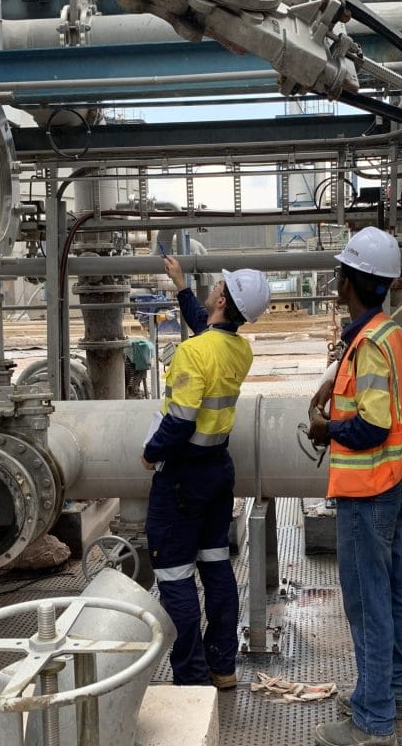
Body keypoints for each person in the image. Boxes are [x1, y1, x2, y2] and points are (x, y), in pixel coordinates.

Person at [307, 226, 402, 746]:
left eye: (341, 270)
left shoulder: (371, 346)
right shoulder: (384, 333)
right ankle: (391, 690)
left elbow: (371, 427)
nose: (335, 277)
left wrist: (325, 428)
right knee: (390, 593)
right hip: (393, 485)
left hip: (369, 492)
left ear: (352, 280)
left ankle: (373, 720)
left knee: (368, 603)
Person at [142, 254, 271, 688]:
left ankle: (192, 679)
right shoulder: (239, 349)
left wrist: (150, 451)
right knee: (216, 566)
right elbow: (210, 327)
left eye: (217, 287)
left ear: (220, 297)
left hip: (181, 476)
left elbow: (178, 420)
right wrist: (180, 285)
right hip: (218, 471)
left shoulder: (192, 352)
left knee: (174, 574)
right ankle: (222, 667)